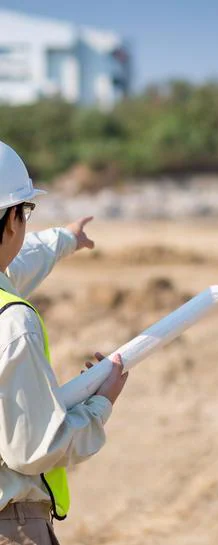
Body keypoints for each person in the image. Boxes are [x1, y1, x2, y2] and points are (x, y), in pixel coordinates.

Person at [0, 141, 128, 544]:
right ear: (12, 219)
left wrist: (64, 238)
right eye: (25, 212)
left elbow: (16, 264)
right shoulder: (12, 322)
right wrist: (100, 403)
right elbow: (33, 449)